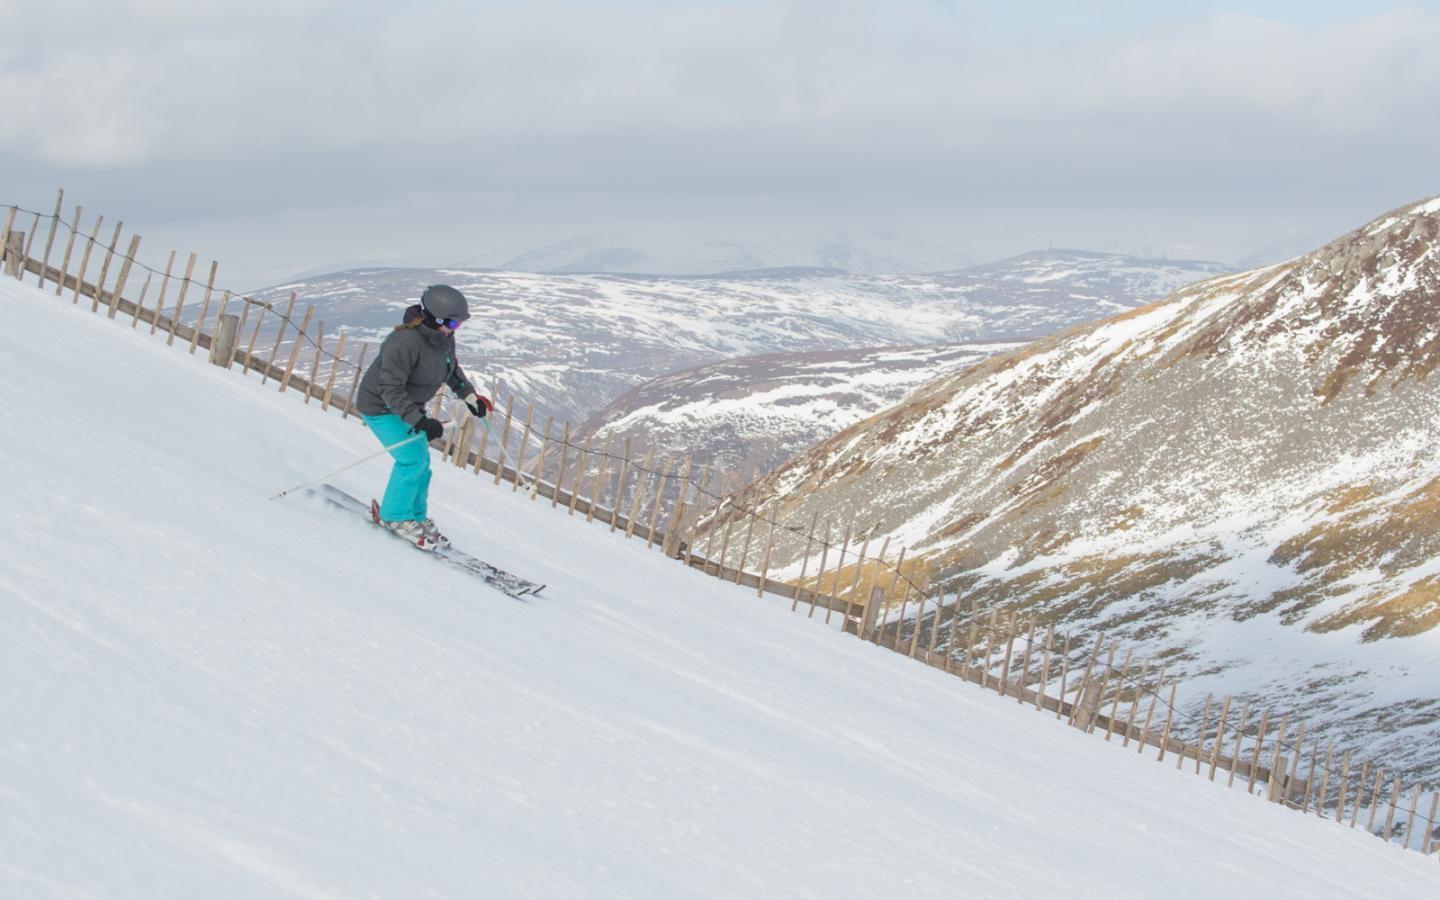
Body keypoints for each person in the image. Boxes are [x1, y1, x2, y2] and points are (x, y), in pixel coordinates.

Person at [356, 284, 492, 549]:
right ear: (434, 318)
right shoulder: (404, 343)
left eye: (459, 324)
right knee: (411, 459)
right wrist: (419, 421)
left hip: (407, 407)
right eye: (453, 322)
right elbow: (390, 389)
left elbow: (450, 368)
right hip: (381, 406)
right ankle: (395, 516)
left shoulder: (443, 337)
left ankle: (416, 516)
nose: (455, 329)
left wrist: (469, 396)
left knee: (422, 461)